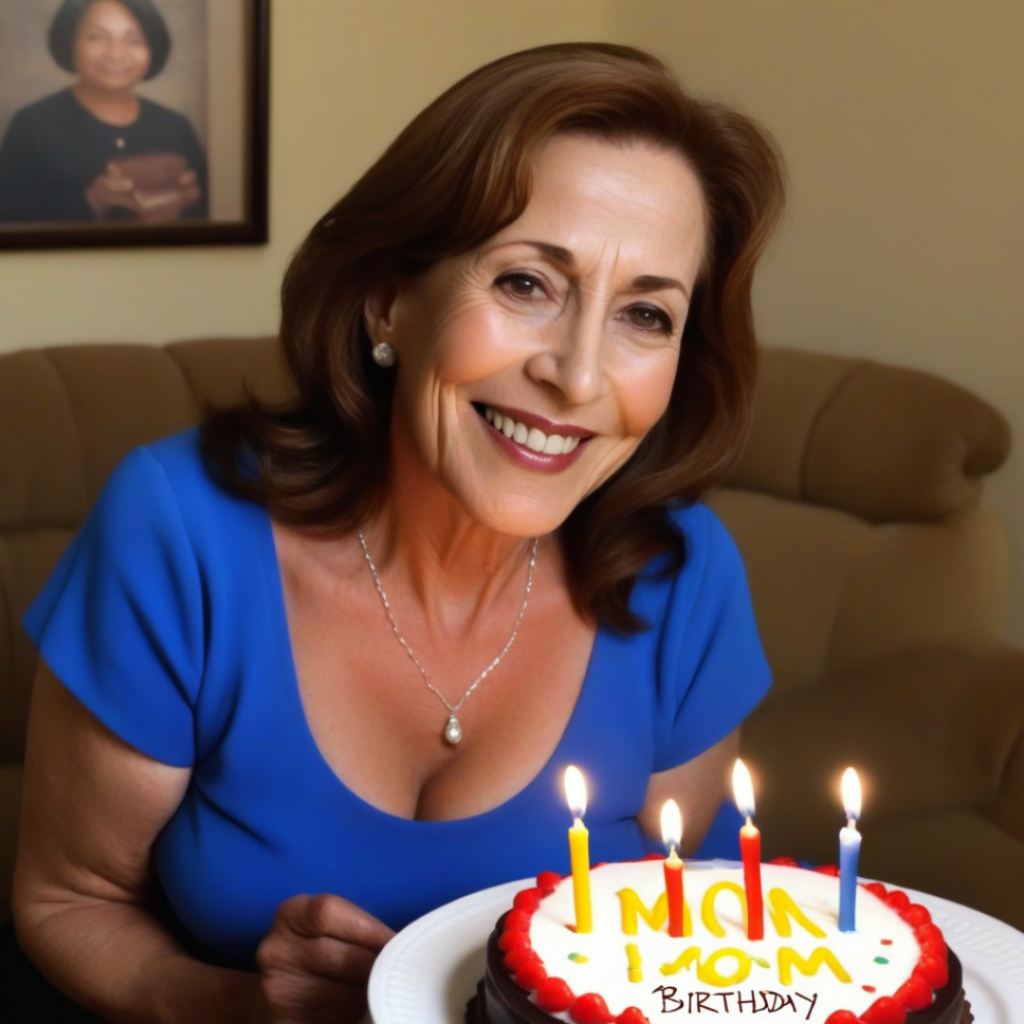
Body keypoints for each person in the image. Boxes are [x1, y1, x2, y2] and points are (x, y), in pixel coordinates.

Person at [10, 42, 785, 1024]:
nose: (579, 376)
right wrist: (240, 1006)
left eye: (645, 313)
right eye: (524, 284)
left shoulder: (685, 576)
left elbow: (671, 952)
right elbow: (67, 898)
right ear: (388, 298)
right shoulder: (180, 531)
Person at [0, 0, 207, 224]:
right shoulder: (32, 125)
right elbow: (10, 223)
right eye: (96, 37)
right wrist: (90, 201)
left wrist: (190, 204)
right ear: (70, 42)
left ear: (152, 50)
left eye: (134, 40)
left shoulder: (176, 127)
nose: (116, 54)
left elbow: (216, 222)